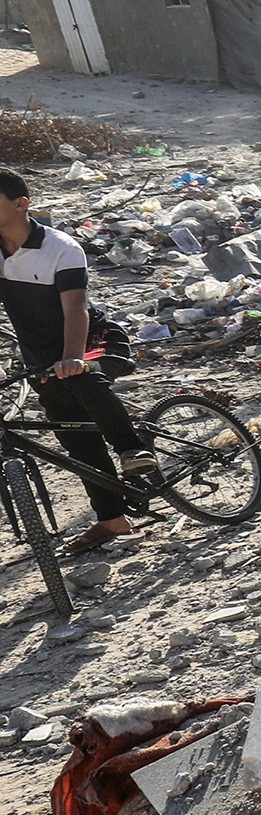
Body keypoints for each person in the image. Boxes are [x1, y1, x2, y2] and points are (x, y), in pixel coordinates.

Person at [0, 168, 152, 556]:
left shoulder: (62, 247)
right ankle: (112, 520)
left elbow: (76, 310)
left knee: (82, 378)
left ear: (21, 205)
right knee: (74, 437)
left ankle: (131, 448)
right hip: (41, 355)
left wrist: (72, 357)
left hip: (92, 339)